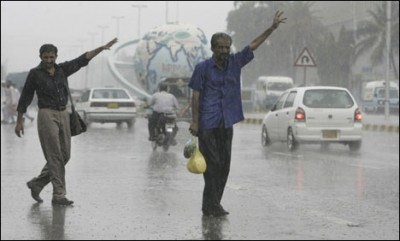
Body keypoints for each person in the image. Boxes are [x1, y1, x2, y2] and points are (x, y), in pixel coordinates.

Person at [188, 11, 286, 217]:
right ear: (213, 48)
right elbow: (196, 96)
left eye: (226, 47)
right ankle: (211, 205)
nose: (224, 50)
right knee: (212, 165)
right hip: (207, 123)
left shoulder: (235, 62)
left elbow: (253, 44)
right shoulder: (202, 68)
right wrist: (195, 123)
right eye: (220, 47)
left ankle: (213, 204)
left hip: (227, 121)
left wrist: (272, 28)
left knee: (224, 166)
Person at [15, 37, 118, 206]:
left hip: (64, 113)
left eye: (51, 57)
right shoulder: (35, 73)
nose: (49, 60)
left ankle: (37, 183)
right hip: (47, 114)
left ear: (56, 56)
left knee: (65, 155)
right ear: (40, 57)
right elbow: (25, 97)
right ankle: (59, 195)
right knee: (54, 155)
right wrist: (19, 121)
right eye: (45, 57)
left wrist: (101, 48)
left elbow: (81, 60)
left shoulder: (62, 69)